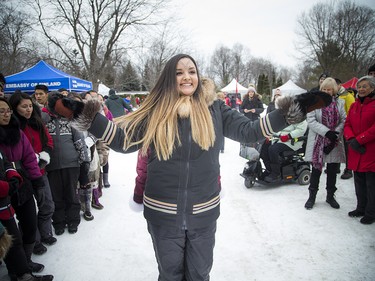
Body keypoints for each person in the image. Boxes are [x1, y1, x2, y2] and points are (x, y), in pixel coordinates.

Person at [49, 54, 331, 281]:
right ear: (169, 79)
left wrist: (290, 111)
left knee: (199, 274)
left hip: (203, 212)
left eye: (192, 71)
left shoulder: (215, 109)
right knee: (170, 275)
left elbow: (250, 132)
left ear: (199, 76)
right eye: (179, 72)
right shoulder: (156, 111)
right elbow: (123, 140)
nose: (187, 76)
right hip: (162, 213)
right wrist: (83, 114)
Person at [0, 97, 49, 275]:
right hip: (3, 190)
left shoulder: (18, 131)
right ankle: (16, 269)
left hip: (23, 182)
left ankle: (26, 261)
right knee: (9, 232)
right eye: (1, 111)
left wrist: (38, 182)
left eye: (8, 110)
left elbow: (29, 157)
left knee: (29, 223)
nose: (6, 114)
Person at [8, 92, 56, 256]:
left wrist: (46, 153)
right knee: (28, 212)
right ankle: (33, 242)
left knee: (47, 204)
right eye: (24, 106)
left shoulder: (37, 122)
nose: (28, 109)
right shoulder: (13, 127)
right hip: (23, 175)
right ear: (15, 108)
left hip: (40, 171)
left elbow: (48, 140)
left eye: (30, 106)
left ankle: (45, 232)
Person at [0, 150, 53, 281]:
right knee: (11, 239)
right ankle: (20, 273)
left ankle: (23, 269)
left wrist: (13, 174)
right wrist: (6, 187)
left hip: (12, 193)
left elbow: (6, 161)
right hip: (4, 198)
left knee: (17, 235)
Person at [42, 93, 89, 235]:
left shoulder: (70, 119)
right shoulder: (44, 120)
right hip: (52, 166)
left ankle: (73, 220)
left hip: (71, 164)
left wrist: (84, 162)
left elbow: (80, 142)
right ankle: (59, 222)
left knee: (71, 195)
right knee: (56, 196)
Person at [304, 77, 346, 210]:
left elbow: (344, 120)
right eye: (324, 89)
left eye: (329, 89)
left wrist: (335, 134)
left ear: (334, 90)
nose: (326, 92)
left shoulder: (340, 103)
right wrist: (327, 132)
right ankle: (312, 196)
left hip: (334, 141)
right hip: (318, 140)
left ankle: (330, 196)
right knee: (316, 170)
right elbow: (311, 121)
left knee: (333, 170)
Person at [344, 76, 375, 225]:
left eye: (365, 86)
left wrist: (359, 139)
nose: (361, 89)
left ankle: (371, 212)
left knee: (371, 185)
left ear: (372, 88)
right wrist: (350, 139)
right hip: (356, 149)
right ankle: (361, 207)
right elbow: (347, 123)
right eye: (360, 86)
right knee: (359, 183)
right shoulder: (354, 106)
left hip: (370, 151)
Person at [335, 78, 355, 180]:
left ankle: (348, 169)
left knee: (347, 150)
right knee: (338, 147)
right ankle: (337, 166)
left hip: (346, 126)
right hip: (337, 126)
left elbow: (352, 111)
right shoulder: (335, 96)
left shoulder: (348, 96)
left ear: (339, 85)